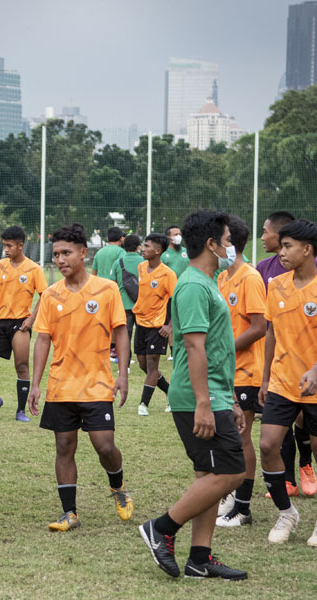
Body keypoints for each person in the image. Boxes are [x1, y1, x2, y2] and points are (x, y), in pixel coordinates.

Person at [140, 210, 247, 581]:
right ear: (211, 244)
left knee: (209, 475)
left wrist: (228, 398)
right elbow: (195, 347)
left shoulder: (207, 281)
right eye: (229, 241)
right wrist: (205, 402)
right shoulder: (192, 286)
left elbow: (218, 350)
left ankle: (199, 559)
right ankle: (162, 528)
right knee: (233, 471)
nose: (232, 247)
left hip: (215, 394)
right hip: (197, 398)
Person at [27, 223, 132, 532]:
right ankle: (69, 513)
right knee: (64, 447)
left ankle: (118, 486)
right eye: (56, 254)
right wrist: (35, 384)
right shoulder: (50, 294)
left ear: (84, 253)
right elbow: (43, 340)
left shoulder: (106, 289)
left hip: (97, 383)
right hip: (61, 386)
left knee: (104, 446)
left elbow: (121, 332)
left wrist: (122, 373)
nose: (60, 259)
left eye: (66, 253)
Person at [259, 219, 317, 546]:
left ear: (307, 250)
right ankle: (287, 512)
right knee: (268, 444)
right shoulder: (276, 285)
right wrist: (265, 378)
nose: (281, 252)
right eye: (280, 245)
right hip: (282, 383)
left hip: (315, 386)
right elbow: (270, 332)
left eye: (288, 246)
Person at [213, 216, 266, 528]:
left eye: (218, 239)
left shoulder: (250, 277)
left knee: (241, 438)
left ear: (230, 243)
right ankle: (231, 496)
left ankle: (243, 509)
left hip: (246, 372)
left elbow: (260, 327)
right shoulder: (223, 278)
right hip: (226, 373)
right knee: (228, 439)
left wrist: (226, 349)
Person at [0, 225, 47, 422]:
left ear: (21, 245)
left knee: (22, 365)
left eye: (9, 246)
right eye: (4, 245)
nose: (6, 249)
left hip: (20, 324)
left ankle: (20, 410)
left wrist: (31, 319)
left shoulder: (34, 269)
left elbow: (44, 296)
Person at [133, 233, 176, 415]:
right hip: (140, 323)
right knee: (143, 365)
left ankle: (143, 404)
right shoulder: (141, 267)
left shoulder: (168, 274)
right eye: (143, 245)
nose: (143, 249)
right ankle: (171, 393)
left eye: (147, 246)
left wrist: (169, 326)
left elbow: (176, 300)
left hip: (158, 326)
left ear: (157, 251)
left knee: (152, 365)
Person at [107, 234, 143, 363]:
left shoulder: (118, 262)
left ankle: (125, 363)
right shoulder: (144, 262)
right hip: (141, 305)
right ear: (138, 247)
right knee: (141, 334)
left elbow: (112, 283)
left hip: (123, 305)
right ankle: (142, 359)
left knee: (124, 335)